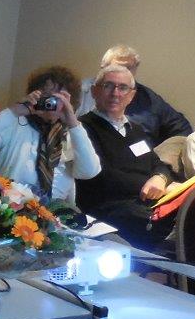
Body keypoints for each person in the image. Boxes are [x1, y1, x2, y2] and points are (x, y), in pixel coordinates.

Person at [75, 64, 178, 250]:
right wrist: (146, 185)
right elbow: (103, 178)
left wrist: (159, 178)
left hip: (147, 205)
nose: (116, 93)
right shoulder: (83, 128)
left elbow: (159, 165)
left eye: (123, 88)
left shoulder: (135, 130)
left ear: (131, 95)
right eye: (108, 86)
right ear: (94, 91)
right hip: (109, 209)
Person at [0, 65, 100, 204]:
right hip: (8, 207)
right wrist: (14, 111)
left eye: (58, 97)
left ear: (70, 101)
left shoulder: (73, 132)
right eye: (46, 96)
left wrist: (72, 122)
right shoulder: (16, 123)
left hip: (53, 213)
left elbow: (88, 172)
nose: (51, 103)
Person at [77, 44, 191, 146]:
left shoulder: (148, 98)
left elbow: (181, 128)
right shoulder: (82, 92)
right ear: (103, 68)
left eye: (128, 68)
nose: (123, 73)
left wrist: (165, 156)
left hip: (144, 159)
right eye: (116, 68)